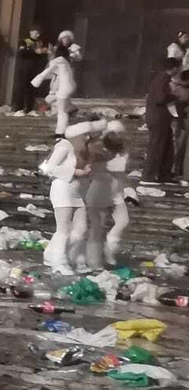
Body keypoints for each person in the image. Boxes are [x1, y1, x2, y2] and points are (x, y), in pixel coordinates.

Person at [40, 123, 91, 275]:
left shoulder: (82, 150)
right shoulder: (64, 146)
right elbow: (49, 168)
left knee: (81, 229)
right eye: (85, 135)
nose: (88, 138)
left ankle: (70, 257)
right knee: (64, 229)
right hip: (63, 189)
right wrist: (78, 172)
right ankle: (59, 263)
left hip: (78, 191)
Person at [83, 121, 130, 268]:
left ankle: (108, 249)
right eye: (116, 133)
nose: (119, 136)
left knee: (122, 221)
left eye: (121, 134)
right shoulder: (100, 153)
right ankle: (94, 259)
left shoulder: (122, 152)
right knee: (98, 226)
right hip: (102, 192)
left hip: (117, 192)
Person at [143, 58, 178, 184]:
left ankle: (164, 174)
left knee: (167, 147)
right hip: (158, 118)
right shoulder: (163, 79)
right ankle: (148, 176)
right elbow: (160, 98)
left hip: (161, 118)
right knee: (156, 147)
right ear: (174, 68)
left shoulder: (160, 78)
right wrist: (175, 96)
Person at [32, 44, 76, 135]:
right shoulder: (66, 62)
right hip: (70, 86)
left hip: (63, 88)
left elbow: (47, 72)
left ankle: (60, 133)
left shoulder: (56, 61)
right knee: (54, 101)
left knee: (62, 111)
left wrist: (36, 81)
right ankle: (71, 108)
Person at [12, 28, 49, 113]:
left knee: (32, 89)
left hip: (34, 69)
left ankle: (29, 108)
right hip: (24, 69)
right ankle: (18, 108)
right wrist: (34, 51)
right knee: (21, 88)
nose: (38, 35)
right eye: (36, 33)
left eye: (39, 33)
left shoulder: (41, 43)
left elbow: (44, 55)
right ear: (31, 32)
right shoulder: (24, 41)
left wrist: (43, 52)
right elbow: (21, 53)